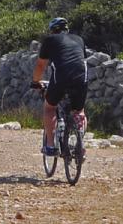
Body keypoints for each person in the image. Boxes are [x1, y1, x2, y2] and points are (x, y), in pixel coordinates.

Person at [31, 17, 88, 157]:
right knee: (79, 111)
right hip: (81, 77)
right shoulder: (79, 40)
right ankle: (80, 143)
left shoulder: (50, 40)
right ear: (67, 29)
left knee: (49, 107)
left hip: (61, 78)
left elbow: (41, 65)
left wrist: (36, 81)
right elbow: (79, 60)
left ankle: (51, 146)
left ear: (52, 30)